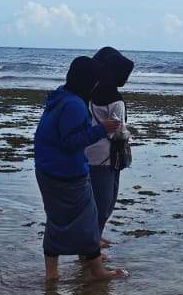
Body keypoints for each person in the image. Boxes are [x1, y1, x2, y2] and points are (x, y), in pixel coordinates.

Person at [34, 56, 125, 281]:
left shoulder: (60, 96)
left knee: (55, 221)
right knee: (87, 220)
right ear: (88, 81)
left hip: (46, 168)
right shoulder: (74, 104)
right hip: (66, 172)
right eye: (95, 80)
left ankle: (51, 274)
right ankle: (96, 271)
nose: (96, 85)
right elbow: (71, 142)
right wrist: (101, 129)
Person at [86, 46, 134, 248]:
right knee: (105, 204)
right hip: (108, 156)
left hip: (88, 152)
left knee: (94, 203)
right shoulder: (115, 100)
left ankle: (94, 237)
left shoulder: (88, 92)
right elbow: (117, 132)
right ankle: (90, 246)